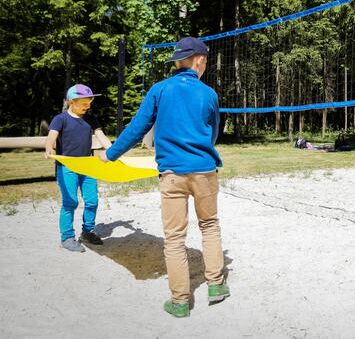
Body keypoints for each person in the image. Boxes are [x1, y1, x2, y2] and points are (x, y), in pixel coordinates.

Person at [98, 37, 229, 318]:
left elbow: (137, 128)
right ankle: (216, 284)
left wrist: (111, 154)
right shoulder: (210, 94)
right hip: (205, 170)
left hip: (172, 174)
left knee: (174, 238)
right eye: (204, 60)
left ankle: (180, 301)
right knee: (210, 226)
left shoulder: (159, 90)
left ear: (178, 61)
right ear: (199, 60)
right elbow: (214, 132)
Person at [45, 84, 112, 253]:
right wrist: (49, 147)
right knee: (70, 202)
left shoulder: (91, 119)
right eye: (84, 103)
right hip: (67, 166)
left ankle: (87, 232)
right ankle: (67, 237)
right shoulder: (60, 119)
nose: (88, 106)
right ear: (71, 102)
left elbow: (101, 136)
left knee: (92, 201)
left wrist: (113, 151)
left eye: (89, 102)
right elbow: (51, 136)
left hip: (87, 166)